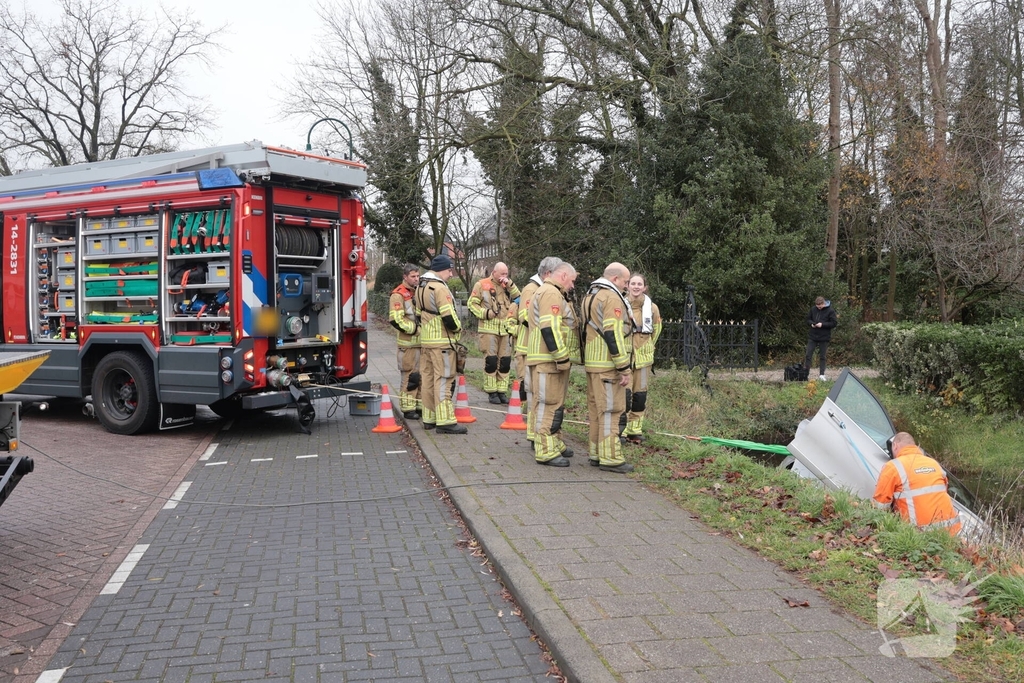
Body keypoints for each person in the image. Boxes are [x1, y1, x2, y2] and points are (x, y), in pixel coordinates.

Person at [582, 263, 634, 473]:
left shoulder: (590, 295)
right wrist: (623, 366)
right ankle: (611, 458)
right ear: (615, 279)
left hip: (593, 362)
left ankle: (596, 453)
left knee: (596, 411)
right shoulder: (612, 298)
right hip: (608, 364)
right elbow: (613, 333)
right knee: (611, 411)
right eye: (625, 281)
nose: (627, 286)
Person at [526, 261, 579, 466]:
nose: (572, 286)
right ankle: (545, 450)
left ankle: (553, 443)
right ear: (564, 276)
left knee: (554, 403)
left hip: (549, 359)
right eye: (572, 281)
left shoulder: (550, 291)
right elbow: (550, 328)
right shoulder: (550, 293)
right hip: (549, 360)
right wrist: (562, 357)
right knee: (548, 404)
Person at [415, 254, 467, 434]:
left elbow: (417, 314)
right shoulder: (439, 288)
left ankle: (429, 418)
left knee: (428, 379)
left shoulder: (420, 286)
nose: (451, 274)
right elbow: (448, 316)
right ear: (440, 270)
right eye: (449, 270)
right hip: (442, 342)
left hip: (426, 341)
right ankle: (445, 421)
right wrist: (459, 328)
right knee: (444, 378)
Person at [872, 432, 961, 536]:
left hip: (920, 534)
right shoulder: (934, 464)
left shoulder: (892, 466)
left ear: (895, 446)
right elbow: (941, 491)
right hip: (952, 531)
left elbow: (880, 506)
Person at [515, 257, 563, 446]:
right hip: (530, 347)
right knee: (536, 395)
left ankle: (536, 434)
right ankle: (536, 435)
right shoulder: (531, 289)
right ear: (548, 274)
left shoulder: (546, 290)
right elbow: (523, 316)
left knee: (539, 396)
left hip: (537, 348)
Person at [468, 262, 521, 404]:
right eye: (502, 274)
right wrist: (486, 313)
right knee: (491, 361)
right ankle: (492, 392)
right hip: (488, 329)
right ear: (494, 272)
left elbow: (520, 299)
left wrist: (510, 284)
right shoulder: (481, 284)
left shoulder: (508, 285)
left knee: (505, 361)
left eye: (506, 274)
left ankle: (502, 391)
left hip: (505, 329)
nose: (504, 277)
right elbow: (471, 304)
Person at [620, 274, 662, 443]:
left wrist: (648, 345)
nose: (636, 287)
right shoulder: (620, 304)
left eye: (639, 284)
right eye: (633, 283)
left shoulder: (652, 308)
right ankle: (620, 430)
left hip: (643, 358)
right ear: (627, 286)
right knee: (624, 395)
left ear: (645, 287)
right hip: (625, 356)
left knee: (640, 396)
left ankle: (634, 430)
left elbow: (656, 329)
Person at [388, 264, 422, 419]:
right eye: (413, 276)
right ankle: (408, 409)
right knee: (410, 376)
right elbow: (396, 320)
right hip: (408, 344)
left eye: (417, 276)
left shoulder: (420, 292)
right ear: (405, 277)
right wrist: (414, 330)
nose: (416, 279)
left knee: (421, 376)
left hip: (422, 343)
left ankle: (420, 406)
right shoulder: (398, 295)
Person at [804, 296, 838, 381]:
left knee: (822, 356)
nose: (818, 307)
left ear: (823, 303)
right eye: (817, 305)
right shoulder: (813, 309)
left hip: (824, 336)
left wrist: (822, 325)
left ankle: (822, 374)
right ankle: (805, 374)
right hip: (813, 336)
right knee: (808, 355)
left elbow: (834, 323)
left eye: (820, 305)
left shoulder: (830, 310)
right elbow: (808, 319)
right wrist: (811, 323)